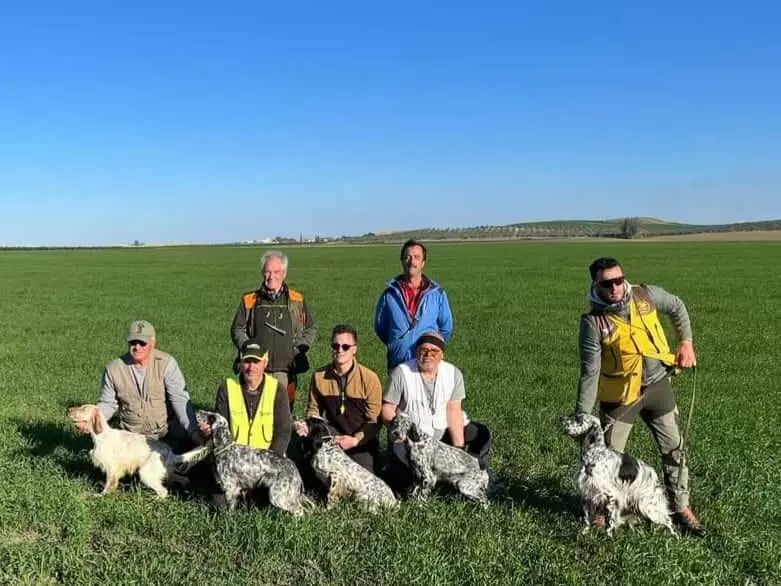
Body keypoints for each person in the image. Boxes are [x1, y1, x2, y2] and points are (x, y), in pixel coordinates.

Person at [573, 256, 705, 536]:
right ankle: (601, 512)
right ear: (595, 285)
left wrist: (686, 343)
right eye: (607, 283)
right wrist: (583, 417)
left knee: (675, 450)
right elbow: (589, 373)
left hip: (658, 386)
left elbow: (678, 307)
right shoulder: (593, 323)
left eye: (619, 280)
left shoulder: (648, 295)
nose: (615, 287)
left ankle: (680, 506)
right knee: (607, 461)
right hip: (620, 399)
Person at [381, 332, 491, 494]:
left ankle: (476, 474)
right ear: (416, 351)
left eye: (434, 352)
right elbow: (387, 408)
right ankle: (414, 479)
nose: (427, 355)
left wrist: (459, 448)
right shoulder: (401, 373)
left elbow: (454, 411)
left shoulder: (453, 374)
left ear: (442, 355)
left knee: (480, 433)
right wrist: (400, 430)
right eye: (423, 350)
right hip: (412, 438)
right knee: (402, 469)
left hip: (443, 434)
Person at [78, 320, 203, 451]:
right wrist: (90, 421)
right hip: (132, 438)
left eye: (142, 343)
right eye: (133, 342)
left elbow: (180, 400)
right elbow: (108, 404)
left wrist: (194, 432)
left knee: (180, 467)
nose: (137, 347)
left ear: (153, 343)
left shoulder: (167, 364)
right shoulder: (113, 369)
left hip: (165, 433)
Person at [230, 250, 317, 409]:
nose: (271, 276)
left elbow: (310, 328)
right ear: (262, 273)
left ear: (284, 273)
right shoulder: (249, 300)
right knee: (252, 410)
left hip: (285, 370)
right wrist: (250, 349)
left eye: (276, 272)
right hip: (255, 369)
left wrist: (298, 350)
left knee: (282, 413)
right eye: (267, 272)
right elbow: (237, 329)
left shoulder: (297, 299)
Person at [294, 324, 383, 472]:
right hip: (332, 436)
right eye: (336, 346)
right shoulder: (319, 376)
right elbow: (313, 411)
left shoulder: (369, 378)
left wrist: (355, 440)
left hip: (360, 440)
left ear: (354, 349)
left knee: (362, 479)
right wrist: (307, 426)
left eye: (345, 346)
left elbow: (374, 421)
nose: (340, 350)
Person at [374, 239, 453, 371]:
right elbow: (381, 328)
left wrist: (431, 349)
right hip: (398, 364)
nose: (412, 261)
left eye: (416, 257)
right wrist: (397, 344)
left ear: (423, 263)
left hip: (427, 365)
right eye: (407, 257)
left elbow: (446, 329)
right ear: (402, 261)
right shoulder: (389, 294)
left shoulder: (437, 294)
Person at [213, 338, 292, 456]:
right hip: (235, 461)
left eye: (256, 362)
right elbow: (220, 429)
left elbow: (283, 432)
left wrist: (267, 462)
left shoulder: (277, 390)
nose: (251, 368)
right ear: (240, 364)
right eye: (247, 361)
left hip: (267, 462)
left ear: (265, 363)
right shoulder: (227, 388)